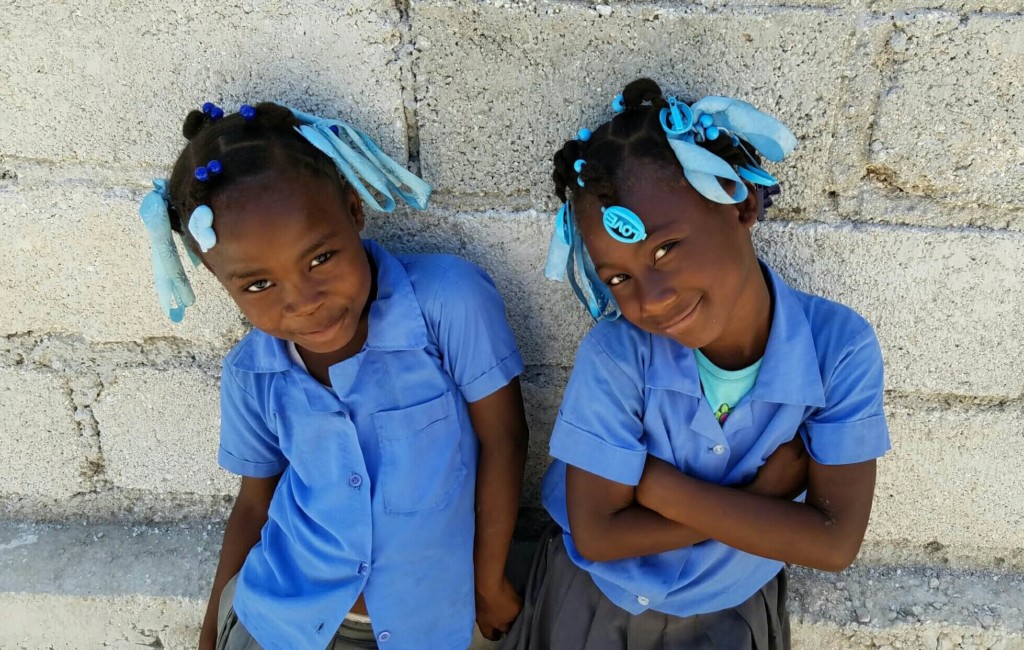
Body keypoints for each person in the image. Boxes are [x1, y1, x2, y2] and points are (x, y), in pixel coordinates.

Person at [502, 78, 890, 649]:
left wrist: (653, 488)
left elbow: (833, 545)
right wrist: (762, 502)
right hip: (591, 603)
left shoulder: (839, 348)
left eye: (665, 249)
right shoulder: (618, 354)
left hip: (730, 612)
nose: (651, 298)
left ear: (741, 201)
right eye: (618, 278)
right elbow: (599, 535)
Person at [137, 101, 529, 650]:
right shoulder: (253, 373)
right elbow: (254, 504)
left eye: (319, 258)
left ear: (353, 208)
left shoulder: (446, 301)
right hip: (282, 622)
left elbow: (504, 439)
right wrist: (209, 637)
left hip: (430, 624)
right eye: (256, 286)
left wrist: (488, 585)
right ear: (217, 279)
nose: (304, 303)